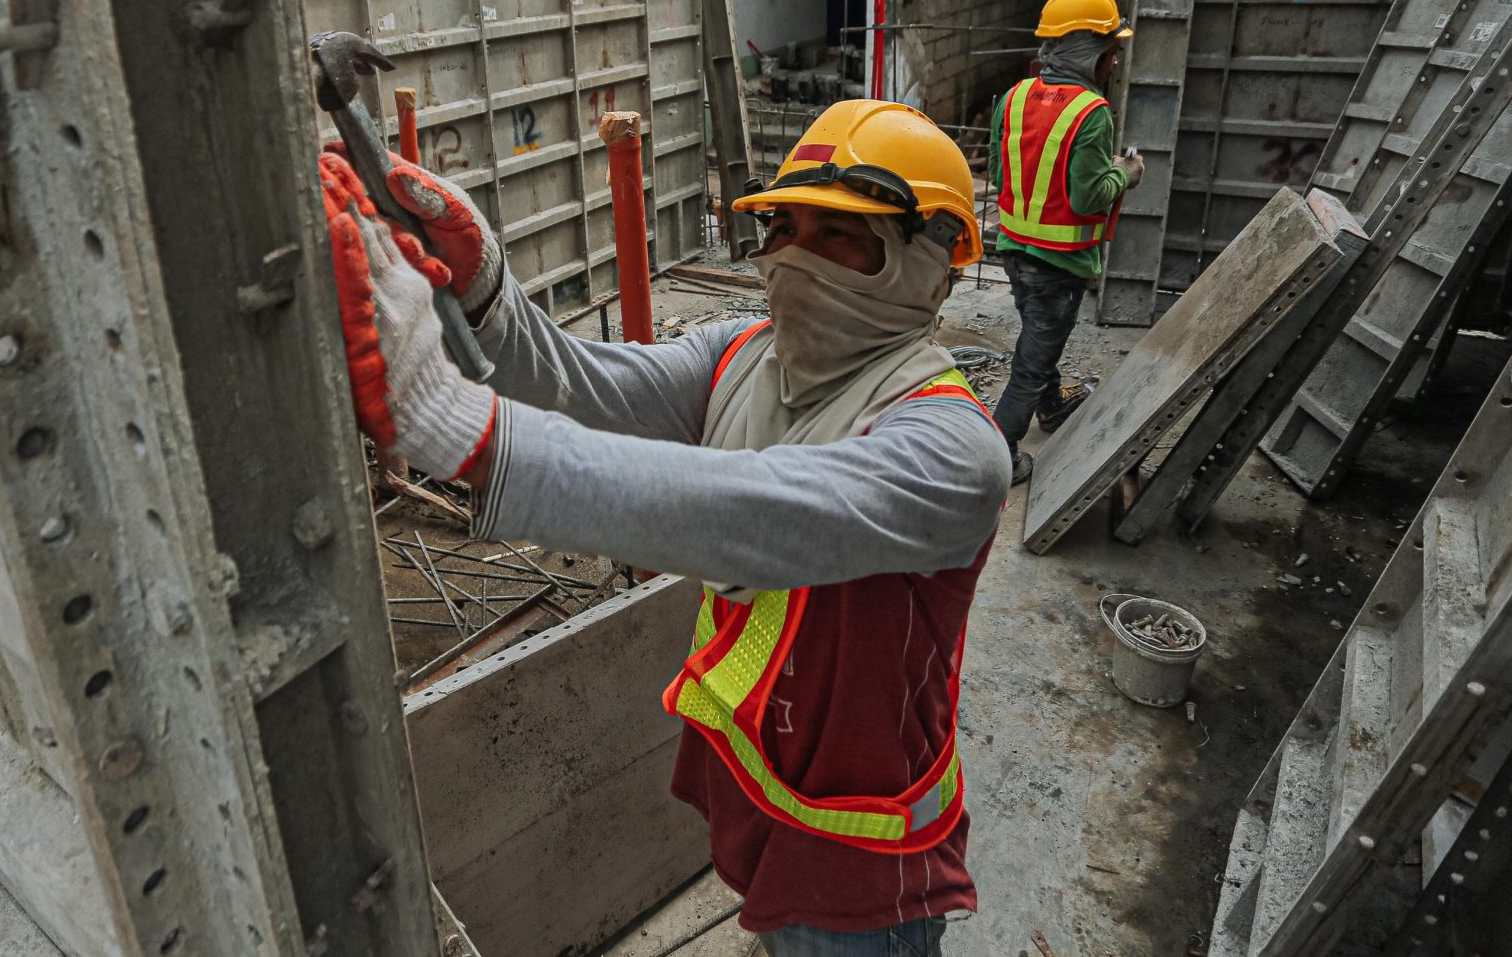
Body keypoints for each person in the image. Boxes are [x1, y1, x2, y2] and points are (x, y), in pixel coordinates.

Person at [318, 99, 1011, 956]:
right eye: (783, 229)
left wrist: (458, 425)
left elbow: (756, 516)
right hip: (761, 807)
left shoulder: (953, 449)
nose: (796, 259)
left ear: (931, 266)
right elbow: (582, 385)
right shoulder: (743, 355)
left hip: (868, 871)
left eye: (840, 235)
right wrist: (485, 287)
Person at [985, 0, 1145, 485]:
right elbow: (1087, 197)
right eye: (1111, 52)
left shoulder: (1013, 99)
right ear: (1089, 52)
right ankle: (999, 453)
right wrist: (1127, 173)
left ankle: (1052, 406)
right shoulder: (1091, 113)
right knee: (1031, 364)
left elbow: (996, 170)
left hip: (1013, 250)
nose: (1114, 63)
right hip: (1060, 262)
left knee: (1038, 341)